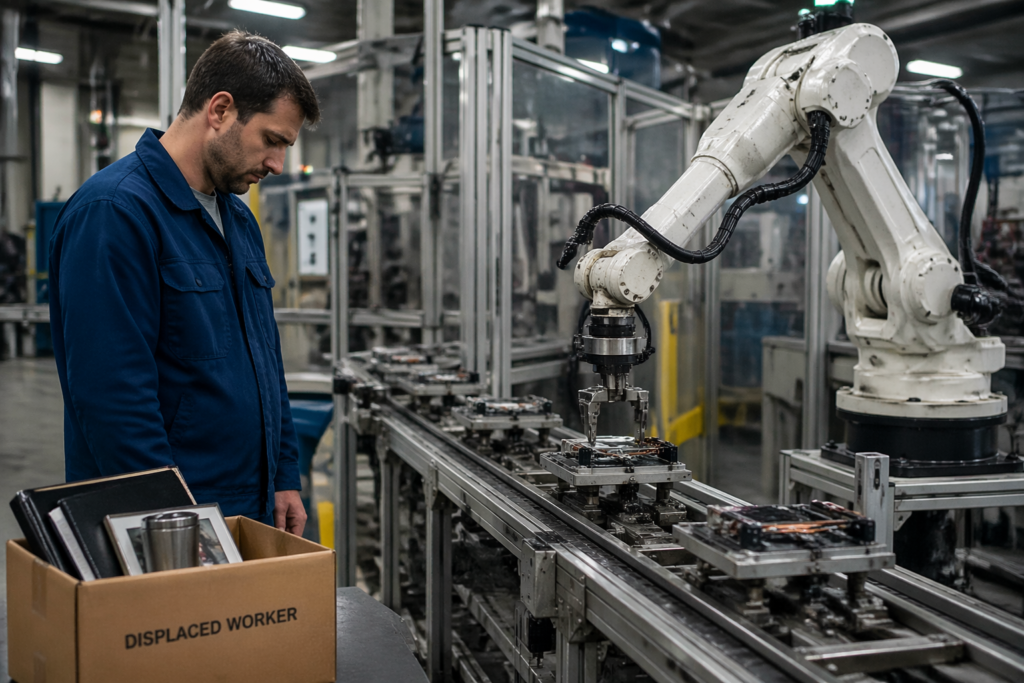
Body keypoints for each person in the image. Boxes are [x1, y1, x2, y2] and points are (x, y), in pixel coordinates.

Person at [48, 31, 321, 535]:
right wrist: (168, 518)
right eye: (273, 140)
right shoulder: (116, 213)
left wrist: (284, 475)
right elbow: (113, 396)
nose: (278, 165)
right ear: (219, 110)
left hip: (251, 502)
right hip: (172, 518)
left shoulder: (237, 221)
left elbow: (266, 359)